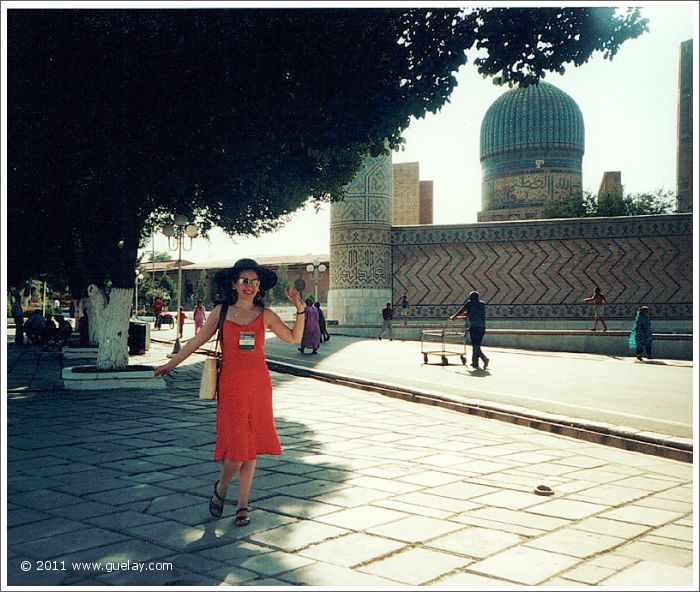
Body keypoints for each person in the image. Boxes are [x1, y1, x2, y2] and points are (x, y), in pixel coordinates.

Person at [154, 258, 305, 525]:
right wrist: (171, 364)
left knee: (250, 448)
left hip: (259, 387)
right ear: (234, 284)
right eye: (244, 281)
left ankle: (243, 505)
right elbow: (196, 341)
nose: (250, 286)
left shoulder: (266, 315)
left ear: (260, 287)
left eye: (254, 282)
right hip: (232, 387)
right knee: (238, 447)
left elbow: (294, 338)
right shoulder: (222, 312)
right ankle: (223, 487)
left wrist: (300, 310)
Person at [450, 290, 489, 370]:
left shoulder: (469, 303)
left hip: (474, 327)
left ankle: (484, 359)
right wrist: (464, 315)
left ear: (471, 297)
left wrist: (454, 316)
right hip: (482, 328)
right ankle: (475, 362)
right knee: (477, 345)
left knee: (475, 345)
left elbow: (462, 310)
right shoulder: (482, 304)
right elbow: (473, 312)